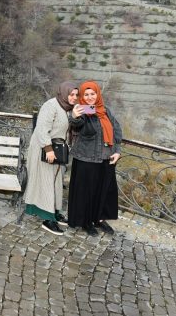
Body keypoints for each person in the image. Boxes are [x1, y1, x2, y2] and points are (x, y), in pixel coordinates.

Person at [67, 80, 123, 236]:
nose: (90, 97)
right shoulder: (83, 110)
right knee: (86, 193)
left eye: (93, 94)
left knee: (103, 192)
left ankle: (98, 219)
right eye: (86, 94)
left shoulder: (105, 111)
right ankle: (85, 221)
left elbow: (117, 132)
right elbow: (76, 124)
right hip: (87, 159)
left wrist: (117, 151)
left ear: (98, 94)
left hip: (106, 158)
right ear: (82, 96)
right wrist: (74, 117)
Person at [24, 81, 78, 235]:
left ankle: (54, 212)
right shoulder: (51, 106)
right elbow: (41, 129)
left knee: (56, 182)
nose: (74, 97)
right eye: (71, 94)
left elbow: (92, 109)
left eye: (76, 95)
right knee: (47, 182)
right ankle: (48, 219)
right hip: (45, 149)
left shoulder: (68, 109)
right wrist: (48, 149)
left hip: (59, 151)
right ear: (63, 93)